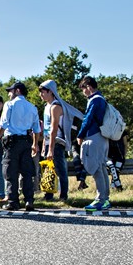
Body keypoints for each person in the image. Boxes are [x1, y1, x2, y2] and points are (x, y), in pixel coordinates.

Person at [0, 82, 41, 211]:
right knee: (27, 173)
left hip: (12, 142)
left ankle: (13, 201)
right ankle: (29, 200)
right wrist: (34, 144)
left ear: (17, 91)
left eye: (10, 91)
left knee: (10, 172)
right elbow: (36, 129)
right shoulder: (32, 107)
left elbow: (3, 124)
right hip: (26, 141)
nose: (9, 94)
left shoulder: (9, 105)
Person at [38, 80, 84, 202]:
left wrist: (51, 149)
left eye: (43, 92)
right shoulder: (47, 106)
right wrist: (44, 145)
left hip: (57, 142)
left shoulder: (55, 106)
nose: (41, 95)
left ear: (50, 92)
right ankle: (48, 195)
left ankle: (63, 196)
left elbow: (53, 128)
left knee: (60, 169)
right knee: (48, 169)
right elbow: (47, 130)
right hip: (49, 141)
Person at [77, 76, 111, 211]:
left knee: (96, 168)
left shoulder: (94, 100)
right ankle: (105, 199)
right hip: (102, 137)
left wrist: (80, 135)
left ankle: (100, 199)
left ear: (89, 87)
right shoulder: (102, 99)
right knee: (102, 167)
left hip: (93, 136)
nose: (83, 92)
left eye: (83, 89)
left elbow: (88, 119)